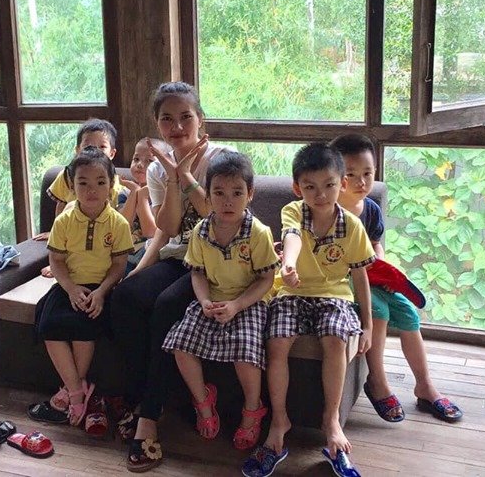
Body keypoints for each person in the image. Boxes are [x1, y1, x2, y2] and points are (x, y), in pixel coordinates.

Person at [108, 81, 231, 473]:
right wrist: (136, 273)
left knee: (165, 307)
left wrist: (188, 175)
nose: (177, 126)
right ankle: (148, 396)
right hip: (180, 257)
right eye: (167, 119)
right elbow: (169, 229)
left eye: (185, 117)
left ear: (201, 119)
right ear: (157, 123)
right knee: (124, 298)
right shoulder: (158, 168)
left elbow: (218, 218)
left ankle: (147, 418)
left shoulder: (223, 160)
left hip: (218, 261)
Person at [242, 143, 374, 477]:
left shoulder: (352, 226)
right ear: (297, 187)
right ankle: (279, 420)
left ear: (342, 184)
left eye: (329, 185)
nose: (321, 194)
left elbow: (360, 276)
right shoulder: (293, 211)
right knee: (277, 342)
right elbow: (292, 237)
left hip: (335, 295)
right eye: (310, 187)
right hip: (292, 290)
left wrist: (368, 325)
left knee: (335, 339)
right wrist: (288, 265)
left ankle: (331, 421)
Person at [329, 133, 463, 424]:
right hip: (341, 279)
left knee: (408, 312)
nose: (361, 182)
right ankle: (377, 380)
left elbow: (376, 244)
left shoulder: (370, 209)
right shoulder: (328, 211)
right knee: (379, 310)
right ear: (335, 175)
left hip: (371, 275)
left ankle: (424, 386)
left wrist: (382, 263)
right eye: (351, 175)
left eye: (367, 174)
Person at [161, 152, 278, 451]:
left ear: (250, 195)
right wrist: (203, 301)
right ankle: (203, 401)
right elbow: (197, 273)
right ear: (208, 195)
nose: (228, 201)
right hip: (212, 298)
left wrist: (237, 305)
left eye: (237, 193)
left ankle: (252, 408)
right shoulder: (201, 232)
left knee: (245, 350)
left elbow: (266, 279)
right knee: (180, 344)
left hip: (249, 301)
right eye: (219, 193)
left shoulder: (258, 233)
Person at [29, 147, 134, 433]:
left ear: (111, 185)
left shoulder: (118, 223)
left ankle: (70, 392)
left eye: (100, 182)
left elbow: (119, 265)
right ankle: (77, 391)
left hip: (101, 289)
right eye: (83, 183)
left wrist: (101, 292)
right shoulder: (64, 221)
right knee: (49, 326)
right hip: (69, 285)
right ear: (72, 186)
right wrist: (70, 288)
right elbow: (56, 261)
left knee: (84, 327)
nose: (91, 190)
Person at [33, 118, 127, 240]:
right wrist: (56, 232)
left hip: (103, 233)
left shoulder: (113, 179)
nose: (95, 151)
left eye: (102, 146)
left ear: (112, 153)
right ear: (78, 150)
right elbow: (61, 204)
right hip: (73, 232)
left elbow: (116, 210)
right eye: (88, 146)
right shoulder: (67, 175)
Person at [118, 137, 170, 274]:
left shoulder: (162, 196)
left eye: (149, 161)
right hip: (124, 251)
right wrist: (134, 192)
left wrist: (143, 198)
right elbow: (121, 226)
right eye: (136, 159)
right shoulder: (125, 192)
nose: (140, 165)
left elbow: (150, 232)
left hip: (147, 252)